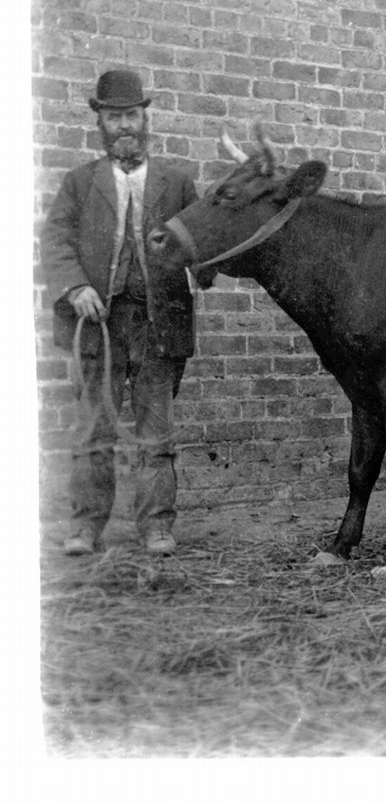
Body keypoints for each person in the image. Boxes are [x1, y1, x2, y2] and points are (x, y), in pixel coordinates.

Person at [41, 69, 198, 555]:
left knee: (156, 434)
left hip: (156, 326)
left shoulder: (177, 184)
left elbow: (200, 244)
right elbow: (56, 241)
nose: (124, 125)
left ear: (144, 118)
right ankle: (86, 526)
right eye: (115, 117)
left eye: (132, 115)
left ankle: (156, 528)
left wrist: (198, 269)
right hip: (98, 326)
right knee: (94, 429)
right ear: (101, 123)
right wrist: (75, 287)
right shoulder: (80, 182)